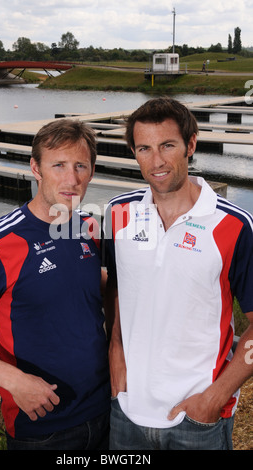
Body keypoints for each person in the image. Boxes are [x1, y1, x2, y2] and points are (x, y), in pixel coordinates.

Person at [104, 97, 253, 450]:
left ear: (191, 144)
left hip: (197, 418)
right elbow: (117, 287)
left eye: (167, 145)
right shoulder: (117, 213)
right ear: (133, 151)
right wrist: (116, 351)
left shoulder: (234, 225)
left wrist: (216, 396)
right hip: (127, 409)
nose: (156, 161)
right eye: (144, 148)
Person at [0, 119, 110, 450]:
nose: (72, 179)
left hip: (105, 411)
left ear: (92, 171)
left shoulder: (88, 229)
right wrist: (12, 380)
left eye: (81, 166)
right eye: (59, 165)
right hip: (42, 428)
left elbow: (80, 291)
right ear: (35, 168)